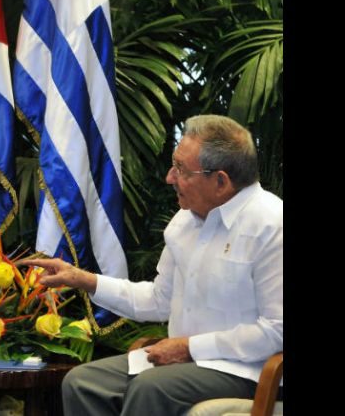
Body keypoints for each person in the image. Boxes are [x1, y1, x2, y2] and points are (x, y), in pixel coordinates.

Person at [21, 114, 282, 416]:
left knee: (151, 387)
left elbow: (277, 330)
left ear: (221, 181)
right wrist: (84, 279)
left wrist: (189, 347)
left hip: (248, 370)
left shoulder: (272, 225)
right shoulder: (185, 221)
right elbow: (160, 300)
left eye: (181, 169)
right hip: (186, 364)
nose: (169, 177)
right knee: (82, 382)